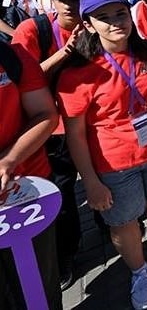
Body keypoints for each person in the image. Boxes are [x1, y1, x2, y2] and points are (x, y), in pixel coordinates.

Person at [57, 0, 147, 310]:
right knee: (124, 222)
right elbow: (74, 136)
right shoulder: (76, 74)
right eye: (104, 17)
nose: (116, 22)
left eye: (120, 14)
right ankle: (139, 271)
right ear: (87, 24)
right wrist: (90, 181)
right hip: (115, 165)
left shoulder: (146, 53)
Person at [11, 0, 93, 289]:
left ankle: (110, 225)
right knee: (63, 195)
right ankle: (66, 255)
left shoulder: (97, 24)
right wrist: (66, 53)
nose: (69, 4)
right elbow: (21, 81)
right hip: (52, 131)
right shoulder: (34, 29)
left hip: (90, 123)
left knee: (99, 180)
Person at [0, 40, 61, 310]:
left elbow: (46, 114)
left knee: (38, 290)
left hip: (24, 193)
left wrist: (7, 161)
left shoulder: (11, 56)